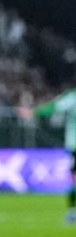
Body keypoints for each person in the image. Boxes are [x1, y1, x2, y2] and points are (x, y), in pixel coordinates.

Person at [35, 88, 76, 223]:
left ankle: (72, 212)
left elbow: (54, 107)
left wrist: (35, 112)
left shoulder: (72, 97)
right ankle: (72, 212)